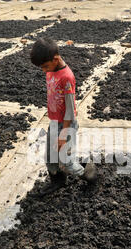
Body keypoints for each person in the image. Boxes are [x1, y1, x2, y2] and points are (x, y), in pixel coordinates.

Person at [30, 38, 97, 196]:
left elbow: (70, 110)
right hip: (54, 122)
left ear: (55, 59)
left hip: (66, 125)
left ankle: (90, 174)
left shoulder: (66, 78)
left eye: (45, 66)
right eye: (42, 67)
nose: (44, 71)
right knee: (51, 157)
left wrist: (63, 134)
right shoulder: (52, 68)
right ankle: (57, 181)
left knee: (66, 162)